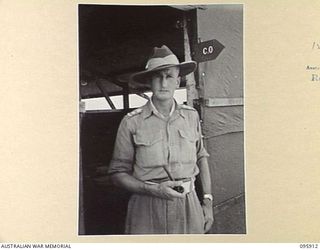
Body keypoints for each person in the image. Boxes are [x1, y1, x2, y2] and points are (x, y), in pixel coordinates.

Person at [108, 45, 214, 234]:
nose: (163, 83)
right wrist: (153, 190)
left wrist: (207, 201)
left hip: (188, 206)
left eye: (169, 76)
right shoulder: (131, 122)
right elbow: (117, 174)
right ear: (149, 81)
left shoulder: (191, 117)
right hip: (146, 208)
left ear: (178, 81)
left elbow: (201, 157)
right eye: (158, 76)